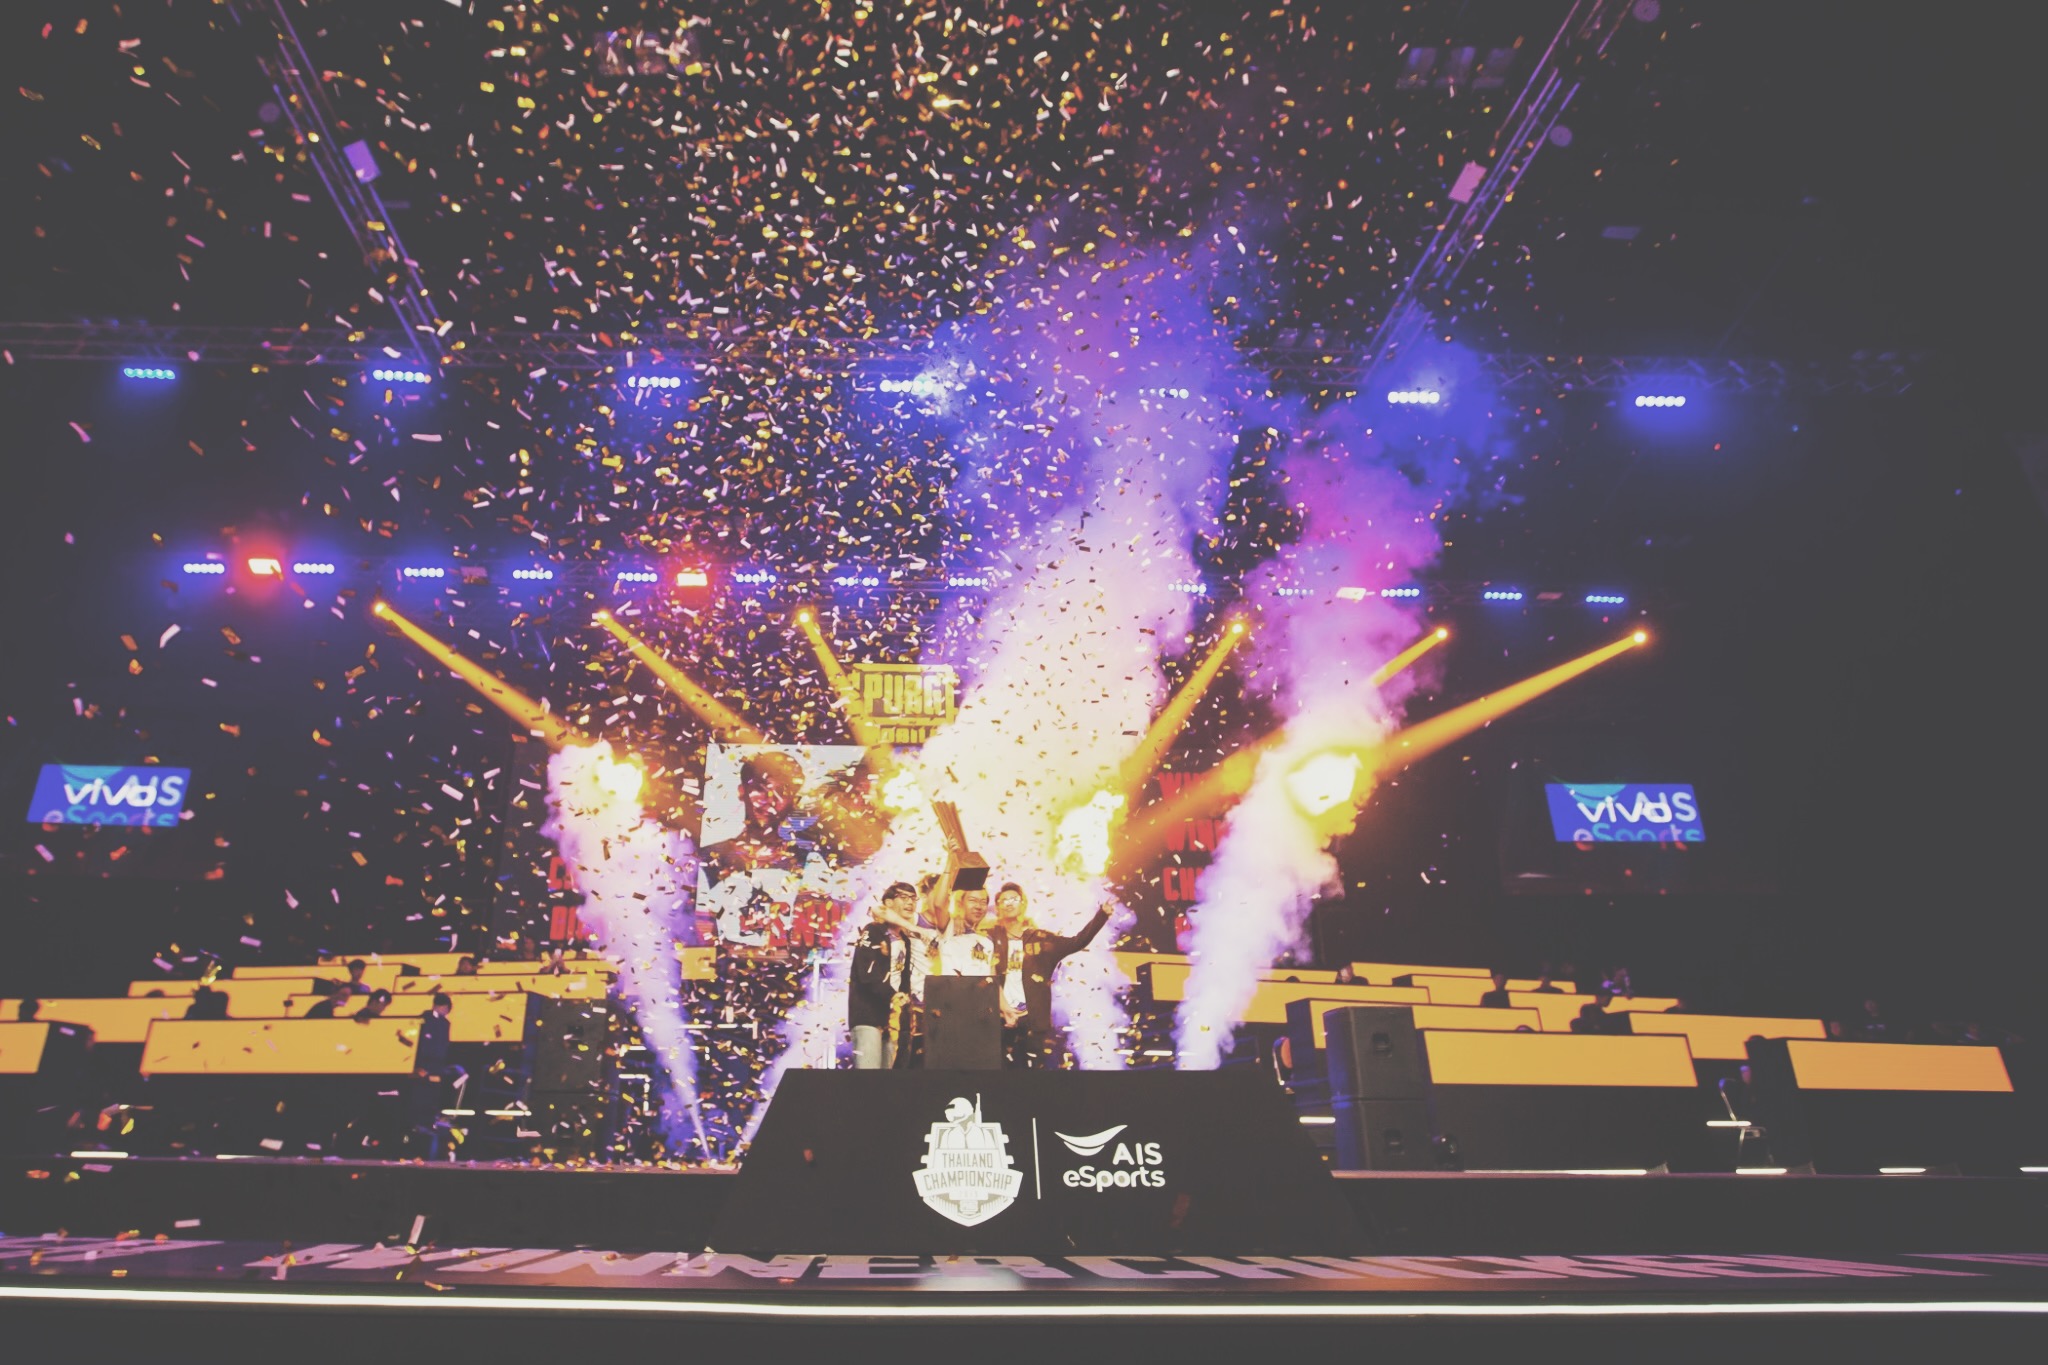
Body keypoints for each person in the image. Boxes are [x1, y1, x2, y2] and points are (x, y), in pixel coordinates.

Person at [992, 884, 1112, 1068]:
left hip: (1032, 1022)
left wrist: (1101, 915)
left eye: (1014, 899)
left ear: (1023, 904)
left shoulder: (1041, 939)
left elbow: (1076, 942)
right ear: (998, 906)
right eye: (1004, 900)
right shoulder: (989, 938)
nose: (1009, 903)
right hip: (999, 1020)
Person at [850, 883, 916, 1070]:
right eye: (904, 897)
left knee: (886, 1080)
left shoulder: (905, 940)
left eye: (913, 898)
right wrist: (892, 995)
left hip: (892, 1019)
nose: (910, 902)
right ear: (888, 902)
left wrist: (904, 1001)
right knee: (869, 1078)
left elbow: (903, 977)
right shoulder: (873, 931)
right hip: (869, 1015)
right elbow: (866, 973)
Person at [409, 993, 458, 1157]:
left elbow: (443, 1046)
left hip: (436, 1068)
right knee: (419, 1100)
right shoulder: (422, 1020)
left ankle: (427, 1129)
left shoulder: (444, 1024)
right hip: (421, 1067)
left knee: (431, 1101)